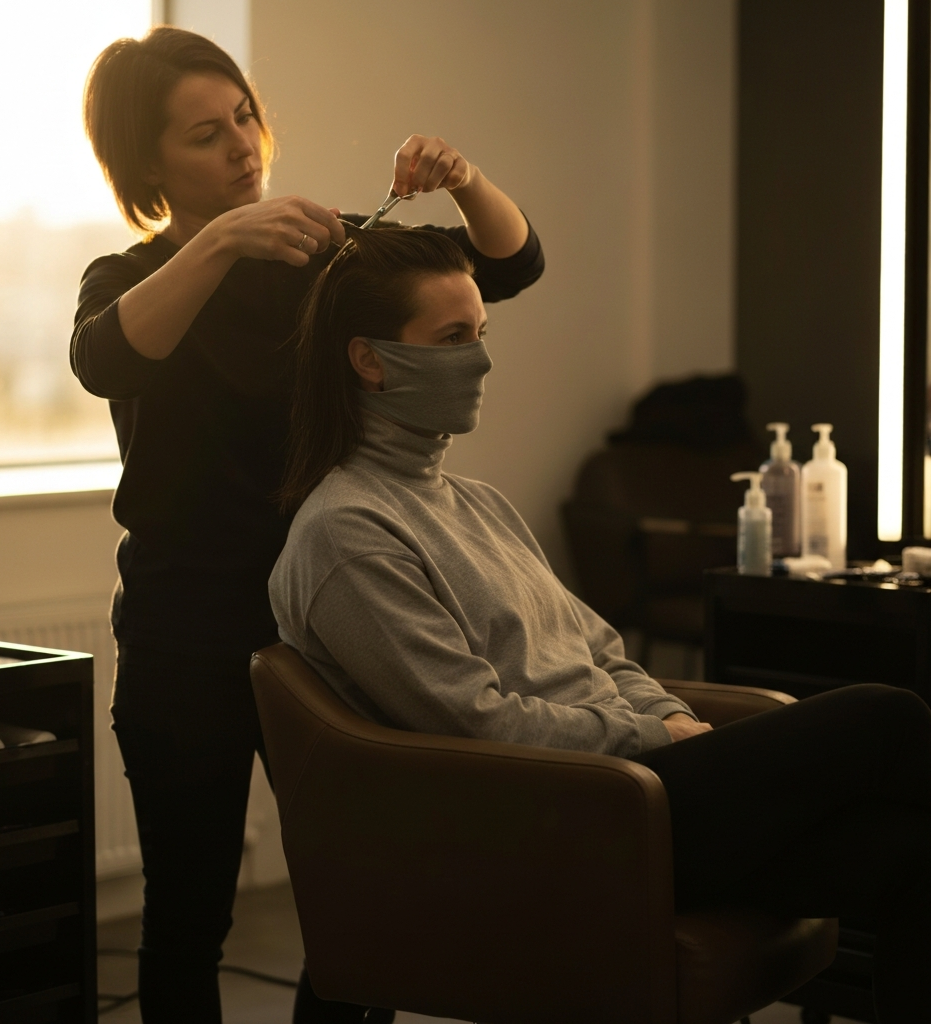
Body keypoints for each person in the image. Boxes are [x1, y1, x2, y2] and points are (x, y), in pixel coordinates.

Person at [268, 227, 931, 1024]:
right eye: (452, 339)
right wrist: (651, 743)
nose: (480, 361)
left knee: (910, 856)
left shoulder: (478, 502)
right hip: (564, 821)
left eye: (483, 334)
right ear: (369, 360)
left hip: (637, 791)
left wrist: (670, 717)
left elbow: (599, 650)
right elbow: (472, 723)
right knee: (885, 716)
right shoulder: (346, 532)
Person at [71, 26, 544, 1024]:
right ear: (147, 165)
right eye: (206, 134)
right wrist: (224, 241)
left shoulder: (331, 254)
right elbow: (106, 360)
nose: (243, 147)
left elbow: (509, 263)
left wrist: (462, 177)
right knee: (188, 913)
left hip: (335, 616)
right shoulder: (127, 278)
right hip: (184, 633)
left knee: (361, 900)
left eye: (245, 115)